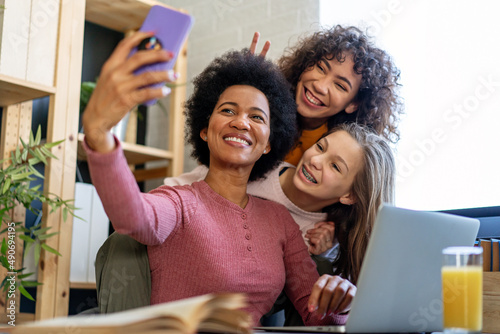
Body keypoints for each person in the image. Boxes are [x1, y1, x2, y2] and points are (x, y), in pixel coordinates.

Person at [82, 31, 355, 326]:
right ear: (205, 129)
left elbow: (315, 311)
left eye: (257, 117)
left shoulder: (280, 221)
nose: (241, 122)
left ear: (268, 144)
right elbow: (132, 216)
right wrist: (99, 135)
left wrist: (342, 297)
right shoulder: (179, 201)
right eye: (228, 111)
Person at [250, 25, 403, 166]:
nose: (320, 86)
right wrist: (245, 91)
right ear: (305, 64)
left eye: (340, 86)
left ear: (353, 104)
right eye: (321, 68)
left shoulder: (342, 160)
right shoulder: (265, 106)